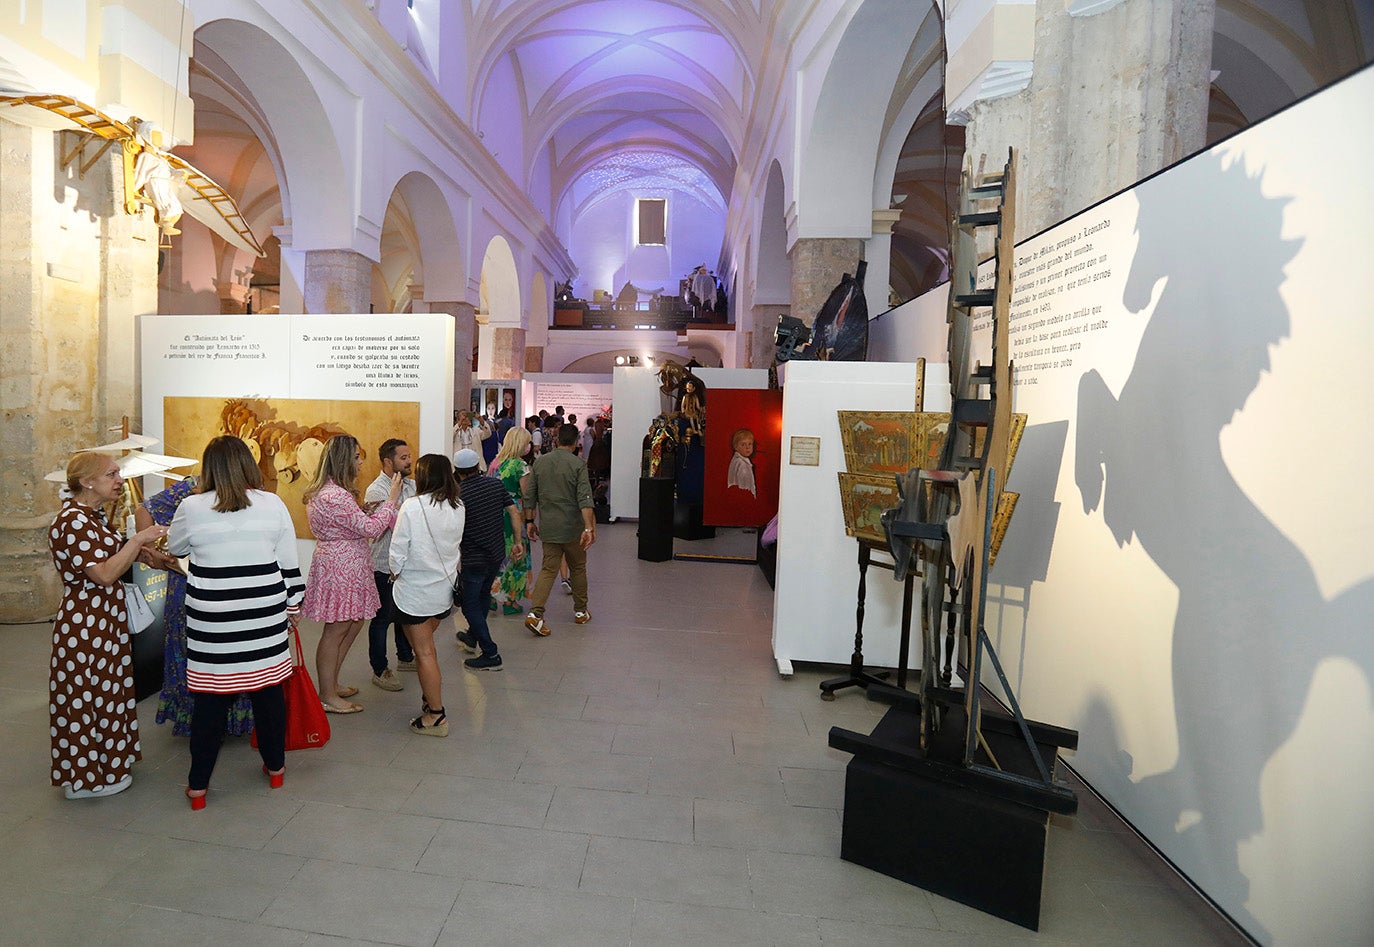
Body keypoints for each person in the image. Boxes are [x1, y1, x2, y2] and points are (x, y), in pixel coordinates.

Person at [167, 437, 305, 809]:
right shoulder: (272, 503)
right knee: (268, 695)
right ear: (248, 463)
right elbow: (288, 563)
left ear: (209, 467)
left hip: (212, 621)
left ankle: (198, 787)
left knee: (211, 704)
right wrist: (293, 605)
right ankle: (275, 768)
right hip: (263, 615)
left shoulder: (191, 506)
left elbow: (175, 548)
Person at [48, 452, 167, 800]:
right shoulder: (72, 521)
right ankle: (88, 780)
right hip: (85, 623)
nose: (118, 480)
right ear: (87, 482)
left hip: (101, 621)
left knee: (106, 694)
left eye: (118, 473)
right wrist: (137, 540)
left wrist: (159, 556)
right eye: (111, 474)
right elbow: (103, 574)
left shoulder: (91, 517)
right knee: (88, 697)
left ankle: (107, 768)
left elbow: (117, 557)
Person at [138, 477, 253, 736]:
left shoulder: (250, 491)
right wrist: (148, 550)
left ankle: (232, 719)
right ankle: (197, 718)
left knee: (231, 652)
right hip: (189, 584)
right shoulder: (190, 487)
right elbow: (143, 508)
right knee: (191, 651)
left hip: (230, 584)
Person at [302, 434, 403, 713]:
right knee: (336, 629)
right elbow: (371, 530)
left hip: (346, 562)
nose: (360, 462)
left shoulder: (334, 492)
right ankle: (327, 694)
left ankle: (331, 684)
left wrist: (362, 510)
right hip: (341, 565)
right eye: (357, 457)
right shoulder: (335, 495)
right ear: (344, 460)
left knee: (354, 622)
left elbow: (351, 522)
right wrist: (390, 501)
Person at [389, 455, 465, 736]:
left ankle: (436, 714)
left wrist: (394, 573)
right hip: (443, 591)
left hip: (415, 592)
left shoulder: (412, 506)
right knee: (424, 646)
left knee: (424, 653)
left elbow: (398, 550)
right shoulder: (458, 506)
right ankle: (428, 697)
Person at [452, 449, 524, 671]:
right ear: (477, 466)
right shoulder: (495, 485)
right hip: (495, 553)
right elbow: (514, 513)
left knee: (469, 605)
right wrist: (518, 542)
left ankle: (490, 653)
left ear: (458, 471)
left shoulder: (458, 493)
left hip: (473, 557)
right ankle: (473, 636)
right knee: (482, 597)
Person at [523, 423, 596, 636]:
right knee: (578, 568)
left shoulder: (541, 463)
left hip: (549, 527)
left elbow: (530, 496)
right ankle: (581, 611)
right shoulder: (578, 464)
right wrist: (589, 528)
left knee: (548, 570)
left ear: (556, 441)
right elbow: (585, 498)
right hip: (573, 528)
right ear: (575, 443)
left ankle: (536, 614)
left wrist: (530, 522)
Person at [365, 438, 416, 693]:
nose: (409, 461)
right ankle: (379, 669)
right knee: (382, 617)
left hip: (404, 564)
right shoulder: (377, 491)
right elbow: (385, 526)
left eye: (409, 456)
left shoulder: (411, 485)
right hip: (383, 563)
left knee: (402, 613)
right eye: (403, 458)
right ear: (388, 461)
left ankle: (405, 657)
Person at [487, 426, 535, 614]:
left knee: (497, 555)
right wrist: (531, 520)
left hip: (494, 513)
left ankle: (491, 595)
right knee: (516, 554)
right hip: (514, 513)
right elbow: (527, 496)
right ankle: (510, 601)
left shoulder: (495, 463)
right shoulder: (520, 466)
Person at [727, 428, 758, 497]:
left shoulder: (736, 460)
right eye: (743, 445)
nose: (747, 447)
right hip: (743, 497)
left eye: (750, 444)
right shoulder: (743, 465)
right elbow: (744, 487)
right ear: (736, 447)